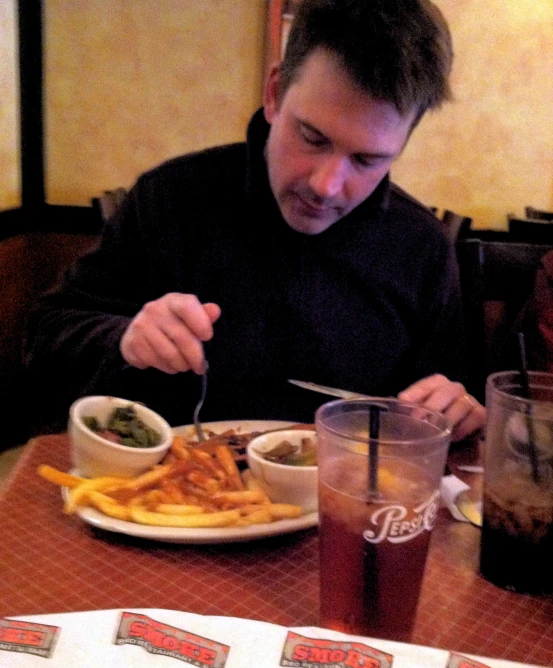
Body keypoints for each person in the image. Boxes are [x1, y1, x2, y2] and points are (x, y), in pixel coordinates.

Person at [25, 0, 485, 442]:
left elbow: (440, 403)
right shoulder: (171, 197)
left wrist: (454, 410)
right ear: (274, 93)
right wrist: (124, 338)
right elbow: (44, 336)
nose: (327, 185)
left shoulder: (420, 245)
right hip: (170, 503)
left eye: (367, 159)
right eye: (312, 136)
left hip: (342, 510)